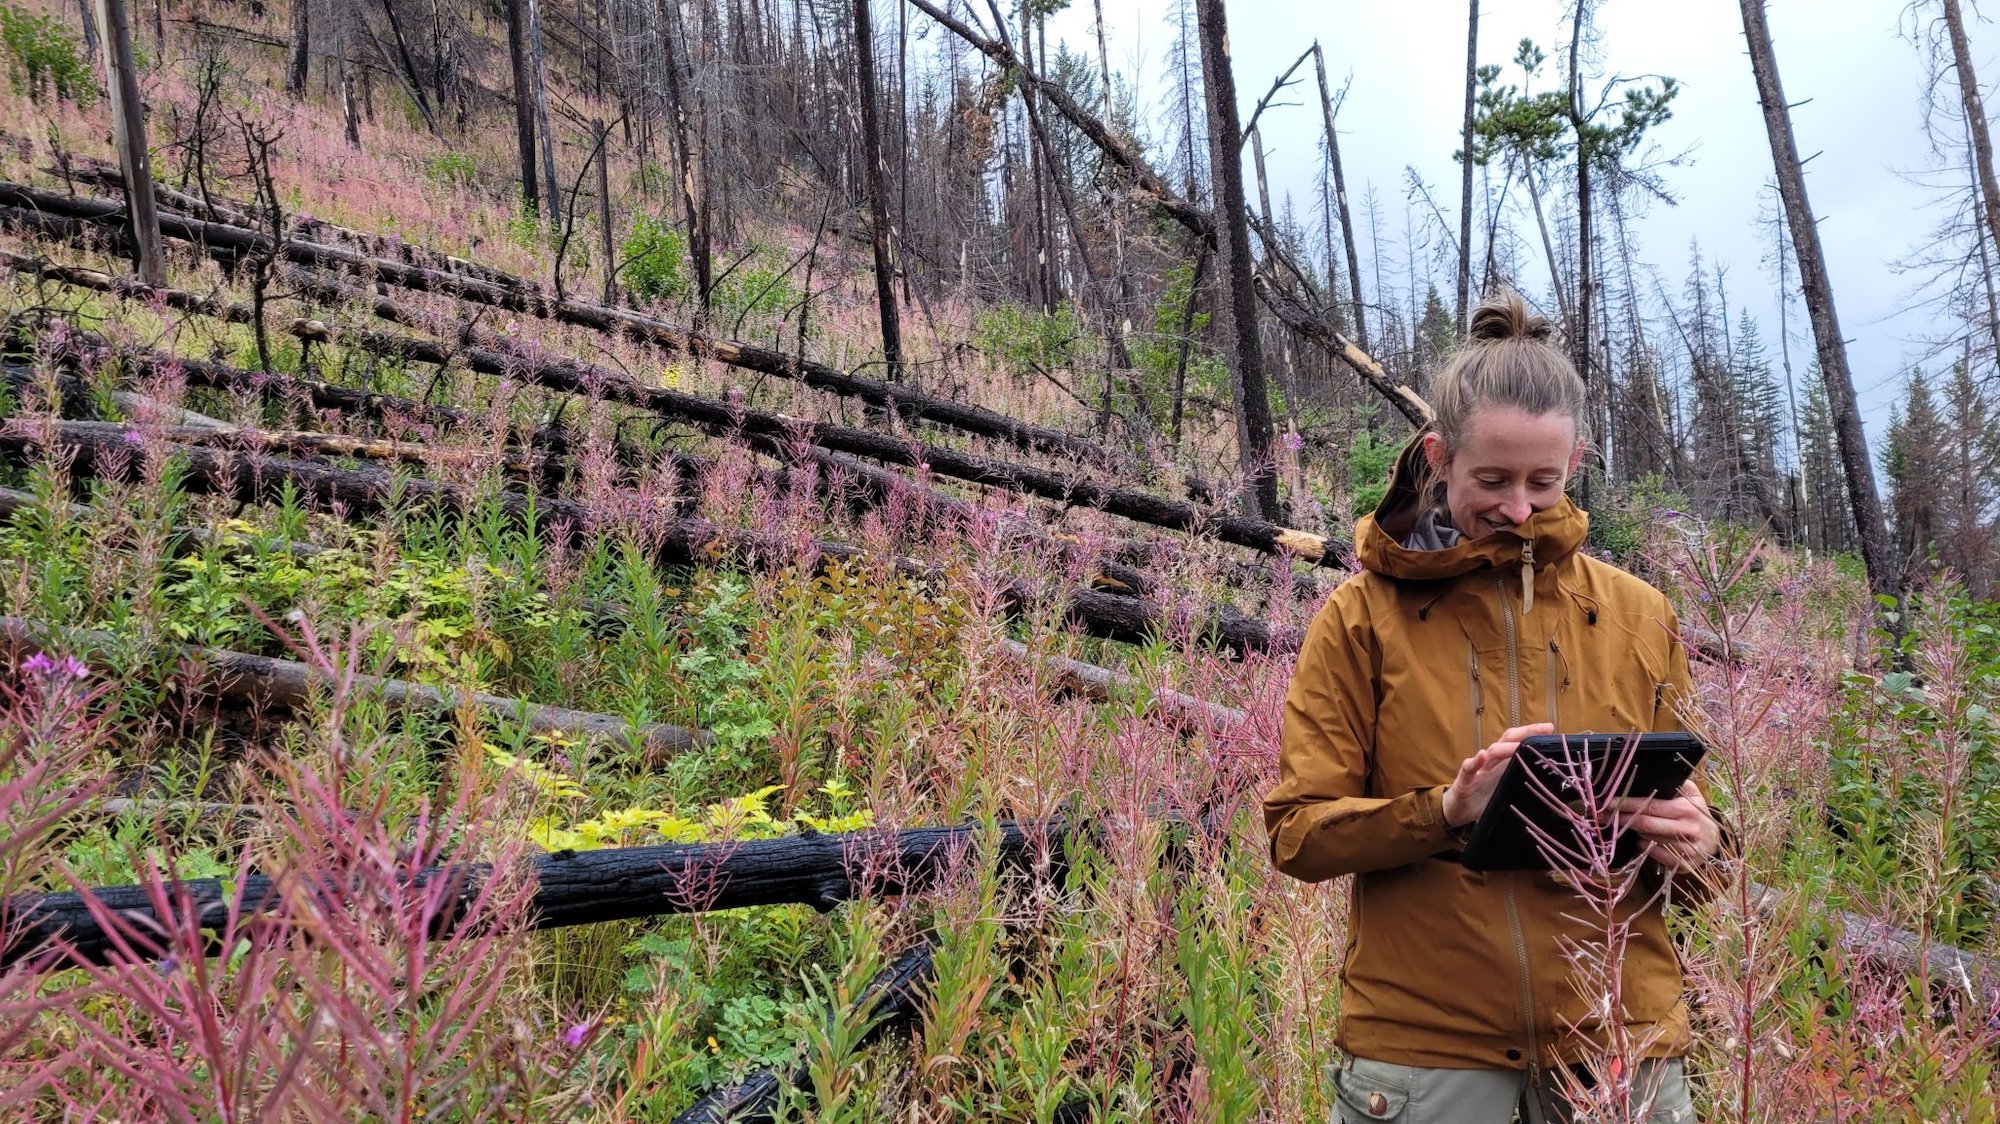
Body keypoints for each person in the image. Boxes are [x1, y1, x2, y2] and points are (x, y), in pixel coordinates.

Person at [1263, 292, 1725, 1124]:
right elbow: (1297, 834)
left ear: (1576, 460)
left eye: (1543, 481)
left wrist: (1702, 845)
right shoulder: (1361, 618)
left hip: (1618, 1035)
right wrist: (1446, 810)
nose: (1518, 508)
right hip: (1423, 1050)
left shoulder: (1640, 614)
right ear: (1438, 457)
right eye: (1492, 479)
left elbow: (1692, 843)